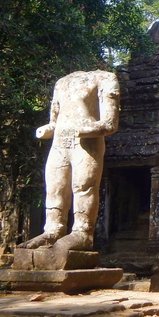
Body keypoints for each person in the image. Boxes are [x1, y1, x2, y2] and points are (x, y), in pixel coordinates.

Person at [19, 70, 120, 252]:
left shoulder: (105, 78)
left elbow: (109, 123)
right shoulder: (61, 82)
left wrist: (84, 128)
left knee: (84, 186)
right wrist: (46, 130)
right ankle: (53, 229)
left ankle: (83, 232)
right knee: (55, 188)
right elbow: (54, 121)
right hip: (59, 144)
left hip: (86, 143)